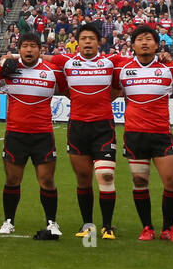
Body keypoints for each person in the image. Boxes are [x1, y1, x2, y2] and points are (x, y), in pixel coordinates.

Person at [48, 23, 123, 240]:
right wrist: (13, 55)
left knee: (105, 175)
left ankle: (107, 226)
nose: (88, 42)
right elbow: (41, 58)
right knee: (83, 178)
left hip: (103, 127)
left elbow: (117, 88)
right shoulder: (67, 62)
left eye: (92, 38)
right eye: (83, 38)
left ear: (99, 42)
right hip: (78, 127)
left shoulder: (111, 62)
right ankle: (88, 224)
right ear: (77, 42)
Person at [115, 25, 173, 242]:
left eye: (149, 39)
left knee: (172, 181)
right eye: (139, 39)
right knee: (139, 182)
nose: (144, 43)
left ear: (157, 44)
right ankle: (147, 227)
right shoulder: (121, 68)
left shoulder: (170, 68)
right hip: (135, 135)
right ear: (133, 45)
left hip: (161, 134)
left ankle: (168, 228)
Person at [0, 33, 64, 237]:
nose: (29, 50)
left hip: (43, 135)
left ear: (40, 49)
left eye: (33, 46)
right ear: (20, 49)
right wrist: (0, 66)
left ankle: (52, 222)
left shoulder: (51, 71)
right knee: (12, 180)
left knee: (47, 180)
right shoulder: (10, 69)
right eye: (25, 46)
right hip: (16, 134)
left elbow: (68, 91)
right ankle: (8, 221)